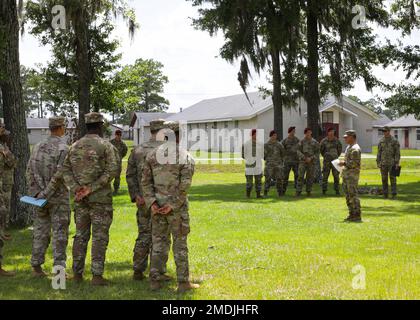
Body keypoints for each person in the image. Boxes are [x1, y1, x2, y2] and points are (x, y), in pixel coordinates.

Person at [62, 112, 119, 286]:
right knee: (99, 237)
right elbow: (112, 171)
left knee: (80, 236)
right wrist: (90, 189)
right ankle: (96, 276)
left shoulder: (74, 146)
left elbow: (65, 170)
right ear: (101, 126)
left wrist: (76, 188)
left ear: (86, 126)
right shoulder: (105, 146)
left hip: (80, 199)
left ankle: (77, 274)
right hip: (100, 199)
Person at [142, 121, 199, 293]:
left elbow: (145, 182)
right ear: (179, 136)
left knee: (158, 243)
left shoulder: (152, 155)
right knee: (180, 244)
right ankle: (183, 282)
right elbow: (185, 186)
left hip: (157, 208)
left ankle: (155, 280)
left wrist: (152, 203)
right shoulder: (185, 156)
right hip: (177, 209)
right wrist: (172, 205)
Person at [126, 119, 172, 281]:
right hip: (162, 201)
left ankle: (138, 270)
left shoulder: (138, 150)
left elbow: (130, 175)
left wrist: (136, 195)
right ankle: (158, 271)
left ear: (151, 130)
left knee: (144, 234)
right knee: (161, 237)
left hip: (143, 201)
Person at [26, 117, 71, 278]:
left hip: (39, 198)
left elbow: (29, 170)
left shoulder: (37, 146)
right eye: (64, 127)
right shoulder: (63, 148)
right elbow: (60, 175)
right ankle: (59, 272)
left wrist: (37, 193)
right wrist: (46, 193)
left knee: (40, 231)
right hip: (57, 197)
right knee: (60, 234)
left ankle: (36, 267)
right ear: (60, 128)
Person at [0, 125, 15, 277]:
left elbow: (11, 163)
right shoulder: (3, 149)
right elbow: (11, 162)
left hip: (4, 184)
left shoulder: (4, 147)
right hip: (2, 186)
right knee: (2, 211)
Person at [339, 130, 362, 222]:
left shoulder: (355, 149)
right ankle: (351, 214)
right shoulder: (349, 147)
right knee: (348, 195)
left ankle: (356, 215)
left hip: (352, 176)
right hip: (347, 175)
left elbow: (355, 163)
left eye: (346, 137)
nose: (345, 138)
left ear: (352, 137)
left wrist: (343, 163)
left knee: (353, 195)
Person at [377, 126, 401, 199]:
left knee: (393, 179)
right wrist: (378, 161)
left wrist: (397, 163)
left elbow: (397, 152)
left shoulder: (394, 141)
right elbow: (379, 152)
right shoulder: (381, 141)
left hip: (392, 163)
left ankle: (394, 194)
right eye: (383, 131)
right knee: (384, 179)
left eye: (385, 131)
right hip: (383, 163)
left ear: (388, 131)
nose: (384, 132)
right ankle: (385, 194)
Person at [296, 128, 320, 196]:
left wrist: (311, 158)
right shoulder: (302, 142)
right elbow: (298, 151)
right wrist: (304, 157)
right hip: (303, 162)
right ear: (305, 133)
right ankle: (298, 191)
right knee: (300, 176)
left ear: (311, 133)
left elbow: (317, 152)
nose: (308, 134)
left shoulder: (315, 142)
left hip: (311, 162)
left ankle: (309, 191)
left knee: (310, 177)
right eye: (307, 132)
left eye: (310, 132)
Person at [242, 129, 264, 199]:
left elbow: (263, 153)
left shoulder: (260, 143)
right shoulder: (246, 144)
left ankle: (258, 195)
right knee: (249, 182)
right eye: (253, 134)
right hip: (249, 165)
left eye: (255, 134)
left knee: (258, 181)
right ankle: (248, 195)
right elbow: (243, 155)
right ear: (251, 135)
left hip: (258, 165)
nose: (254, 135)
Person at [320, 127, 343, 195]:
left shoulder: (337, 141)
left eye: (333, 132)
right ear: (328, 132)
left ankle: (337, 190)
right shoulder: (324, 141)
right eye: (331, 132)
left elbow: (339, 150)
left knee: (336, 176)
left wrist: (335, 156)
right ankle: (324, 190)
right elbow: (321, 150)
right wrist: (326, 156)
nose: (332, 133)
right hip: (326, 161)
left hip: (335, 161)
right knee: (325, 176)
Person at [264, 130, 285, 197]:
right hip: (269, 165)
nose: (274, 137)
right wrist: (268, 160)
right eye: (273, 135)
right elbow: (263, 155)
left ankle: (280, 193)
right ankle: (265, 192)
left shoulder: (279, 145)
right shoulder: (266, 145)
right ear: (270, 136)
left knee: (279, 179)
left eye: (275, 135)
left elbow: (283, 154)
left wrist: (280, 161)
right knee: (268, 179)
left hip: (278, 165)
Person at [281, 127, 300, 194]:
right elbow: (281, 150)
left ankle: (297, 191)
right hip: (287, 162)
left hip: (296, 161)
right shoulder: (285, 141)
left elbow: (300, 149)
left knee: (297, 176)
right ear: (289, 132)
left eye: (294, 131)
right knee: (285, 176)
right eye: (293, 131)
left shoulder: (297, 140)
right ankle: (283, 191)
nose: (294, 132)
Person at [110, 130, 128, 195]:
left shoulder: (123, 144)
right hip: (110, 163)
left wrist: (120, 157)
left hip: (118, 163)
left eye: (120, 135)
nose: (119, 136)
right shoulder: (111, 142)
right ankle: (108, 190)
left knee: (117, 177)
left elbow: (125, 151)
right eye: (118, 135)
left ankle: (116, 190)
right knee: (108, 177)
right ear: (115, 135)